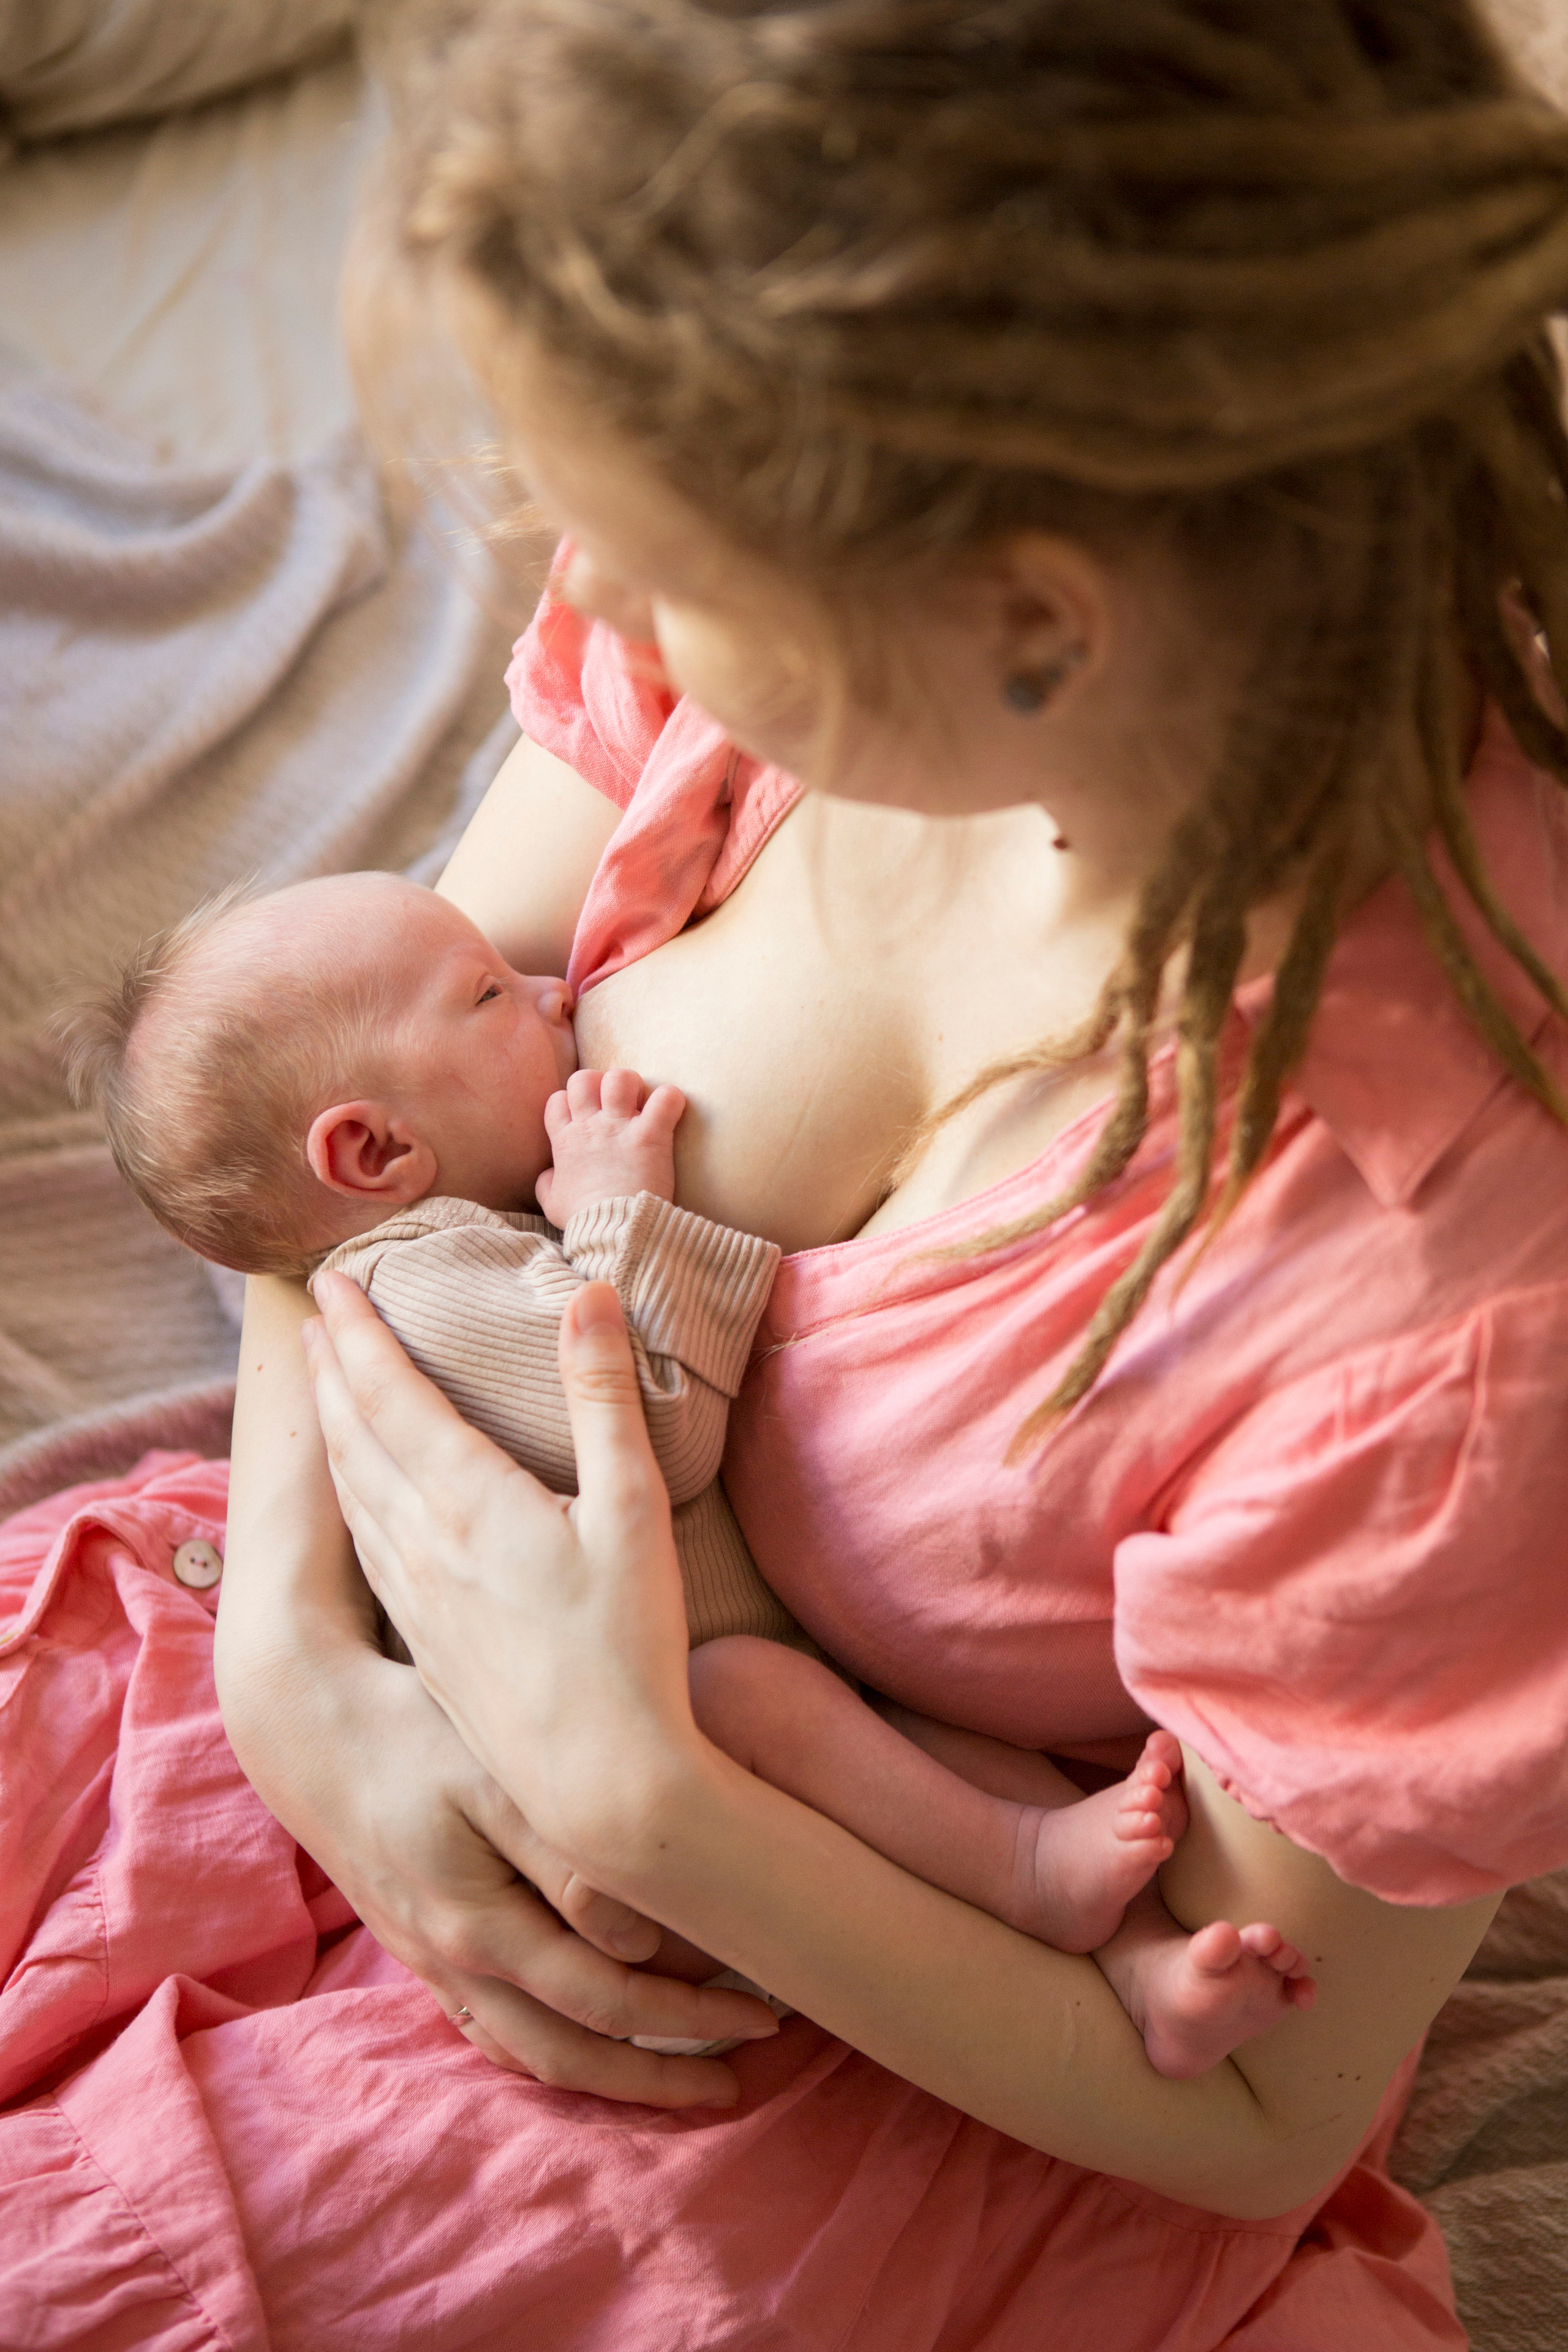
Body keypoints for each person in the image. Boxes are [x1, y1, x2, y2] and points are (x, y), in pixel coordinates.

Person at [10, 0, 1568, 2343]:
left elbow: (1255, 2093)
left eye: (658, 559)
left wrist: (644, 1800)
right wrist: (295, 1674)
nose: (601, 606)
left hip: (840, 2043)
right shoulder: (788, 623)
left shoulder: (1457, 1299)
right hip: (342, 1630)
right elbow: (331, 1119)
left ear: (1030, 617)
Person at [64, 867, 1313, 2076]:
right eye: (488, 994)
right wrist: (622, 1210)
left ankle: (1140, 1974)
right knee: (762, 1697)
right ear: (374, 1152)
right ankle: (1034, 1881)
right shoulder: (422, 1289)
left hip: (719, 1759)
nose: (555, 989)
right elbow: (646, 1436)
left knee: (903, 1737)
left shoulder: (458, 1251)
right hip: (638, 1844)